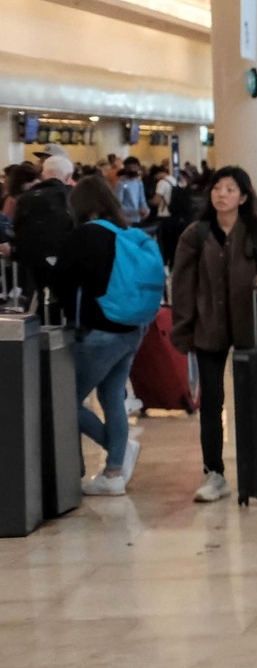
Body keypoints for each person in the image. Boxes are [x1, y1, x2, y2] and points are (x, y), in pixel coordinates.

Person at [168, 165, 257, 503]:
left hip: (251, 325)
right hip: (208, 327)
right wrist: (184, 325)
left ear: (244, 197)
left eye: (230, 189)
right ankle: (214, 473)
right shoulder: (196, 234)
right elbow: (182, 285)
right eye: (217, 188)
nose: (222, 194)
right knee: (212, 401)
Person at [51, 174, 152, 496]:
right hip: (132, 329)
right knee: (111, 398)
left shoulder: (82, 237)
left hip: (99, 332)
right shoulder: (126, 233)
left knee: (66, 401)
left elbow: (60, 282)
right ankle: (113, 474)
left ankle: (118, 453)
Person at [11, 151, 76, 317]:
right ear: (68, 176)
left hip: (33, 261)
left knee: (39, 298)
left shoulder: (26, 198)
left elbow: (17, 229)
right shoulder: (72, 197)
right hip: (65, 259)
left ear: (43, 174)